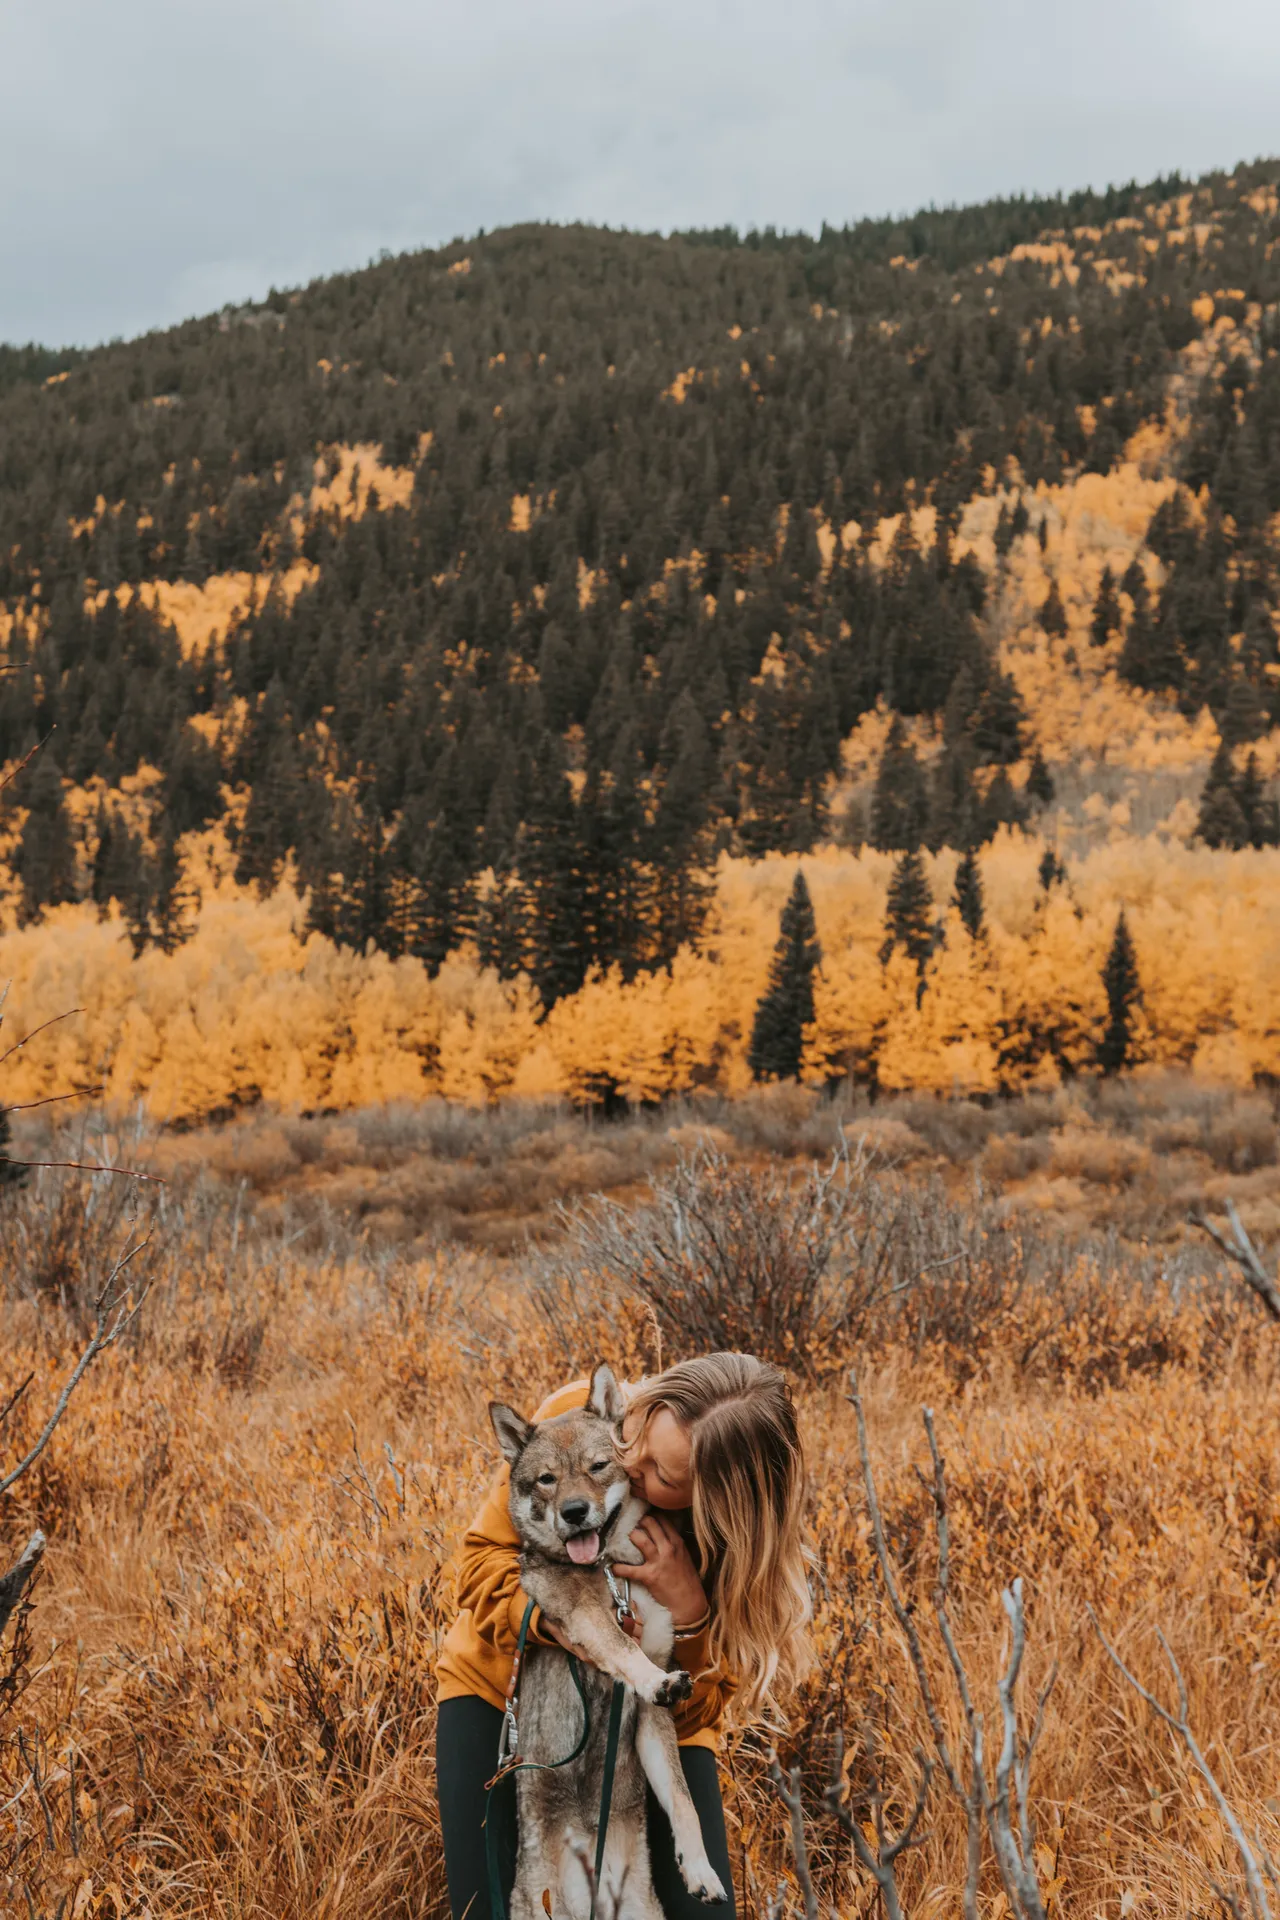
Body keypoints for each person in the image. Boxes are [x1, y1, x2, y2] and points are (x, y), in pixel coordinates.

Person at [435, 1351, 812, 1920]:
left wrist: (690, 1611)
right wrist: (558, 1624)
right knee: (482, 1906)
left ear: (710, 1500)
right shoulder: (573, 1423)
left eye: (662, 1476)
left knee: (703, 1914)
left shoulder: (726, 1548)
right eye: (638, 1441)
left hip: (647, 1721)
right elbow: (477, 1565)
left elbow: (695, 1711)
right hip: (499, 1687)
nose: (627, 1467)